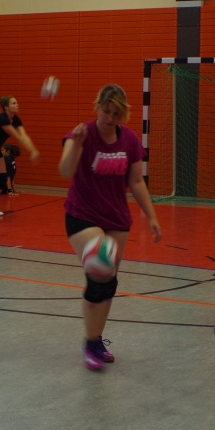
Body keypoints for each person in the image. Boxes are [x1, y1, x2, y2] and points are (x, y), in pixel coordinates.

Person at [59, 84, 162, 370]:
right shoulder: (82, 133)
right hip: (83, 214)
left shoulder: (129, 139)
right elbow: (65, 171)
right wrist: (76, 144)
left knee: (108, 283)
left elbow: (136, 181)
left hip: (116, 217)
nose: (109, 118)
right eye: (106, 111)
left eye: (116, 114)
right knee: (100, 266)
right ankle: (89, 342)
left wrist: (151, 216)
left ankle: (95, 341)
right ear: (98, 107)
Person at [0, 95, 39, 220]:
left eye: (17, 102)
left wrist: (33, 150)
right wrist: (30, 149)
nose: (17, 105)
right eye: (13, 103)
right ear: (6, 107)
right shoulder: (2, 119)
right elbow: (16, 135)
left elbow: (24, 135)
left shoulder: (16, 120)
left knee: (2, 178)